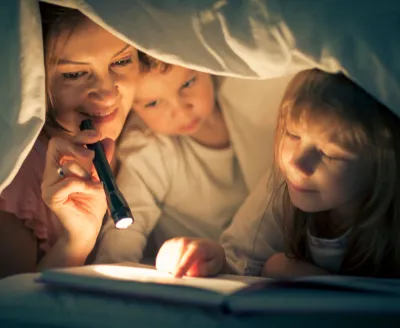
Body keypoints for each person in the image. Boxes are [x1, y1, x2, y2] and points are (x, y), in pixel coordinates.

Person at [157, 68, 400, 279]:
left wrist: (291, 271)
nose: (297, 162)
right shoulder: (284, 187)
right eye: (293, 135)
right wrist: (211, 257)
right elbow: (239, 258)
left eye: (330, 154)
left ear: (383, 164)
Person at [94, 54, 284, 267]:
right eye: (153, 103)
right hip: (196, 268)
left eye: (188, 83)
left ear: (207, 69)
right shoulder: (148, 149)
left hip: (263, 258)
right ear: (132, 109)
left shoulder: (245, 103)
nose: (180, 109)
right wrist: (113, 275)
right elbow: (126, 229)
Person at [0, 3, 139, 278]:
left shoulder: (148, 122)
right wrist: (76, 240)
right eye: (74, 74)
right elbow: (15, 312)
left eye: (121, 61)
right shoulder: (15, 175)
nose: (107, 96)